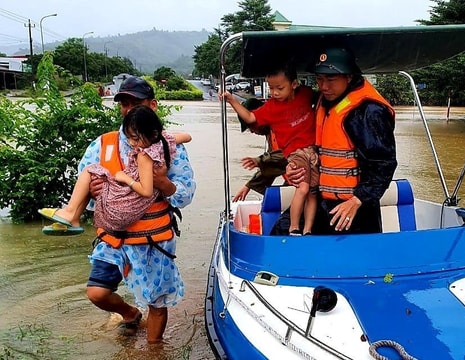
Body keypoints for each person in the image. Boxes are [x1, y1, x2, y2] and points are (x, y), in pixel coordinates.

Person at [70, 76, 195, 343]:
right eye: (124, 104)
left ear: (153, 105)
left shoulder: (169, 147)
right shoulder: (102, 145)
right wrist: (94, 194)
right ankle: (129, 314)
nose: (129, 109)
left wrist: (163, 183)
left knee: (157, 301)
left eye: (135, 103)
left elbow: (186, 195)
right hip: (114, 237)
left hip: (153, 239)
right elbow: (86, 190)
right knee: (97, 293)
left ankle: (154, 350)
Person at [284, 47, 397, 234]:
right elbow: (321, 149)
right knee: (281, 235)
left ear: (349, 77)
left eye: (330, 79)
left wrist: (357, 200)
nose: (323, 86)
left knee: (351, 259)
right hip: (321, 202)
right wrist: (296, 165)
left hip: (356, 209)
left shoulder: (368, 111)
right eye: (319, 79)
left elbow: (384, 164)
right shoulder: (325, 101)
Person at [38, 105, 192, 234]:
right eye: (129, 137)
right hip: (128, 210)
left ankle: (70, 212)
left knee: (91, 170)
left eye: (136, 138)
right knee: (95, 176)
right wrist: (164, 136)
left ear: (152, 104)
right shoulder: (166, 142)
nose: (132, 143)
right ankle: (73, 218)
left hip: (121, 211)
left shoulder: (144, 156)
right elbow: (187, 136)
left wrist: (126, 179)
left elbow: (146, 191)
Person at [220, 62, 318, 236]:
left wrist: (257, 164)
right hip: (298, 158)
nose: (274, 93)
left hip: (312, 153)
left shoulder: (304, 95)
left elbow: (274, 160)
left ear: (293, 84)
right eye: (271, 88)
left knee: (311, 191)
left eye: (279, 88)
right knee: (304, 188)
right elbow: (251, 119)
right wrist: (231, 100)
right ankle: (295, 228)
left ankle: (307, 229)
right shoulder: (272, 111)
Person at [232, 98, 287, 202]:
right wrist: (249, 185)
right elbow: (272, 164)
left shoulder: (282, 127)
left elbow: (286, 156)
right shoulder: (270, 134)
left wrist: (259, 161)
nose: (252, 131)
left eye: (251, 125)